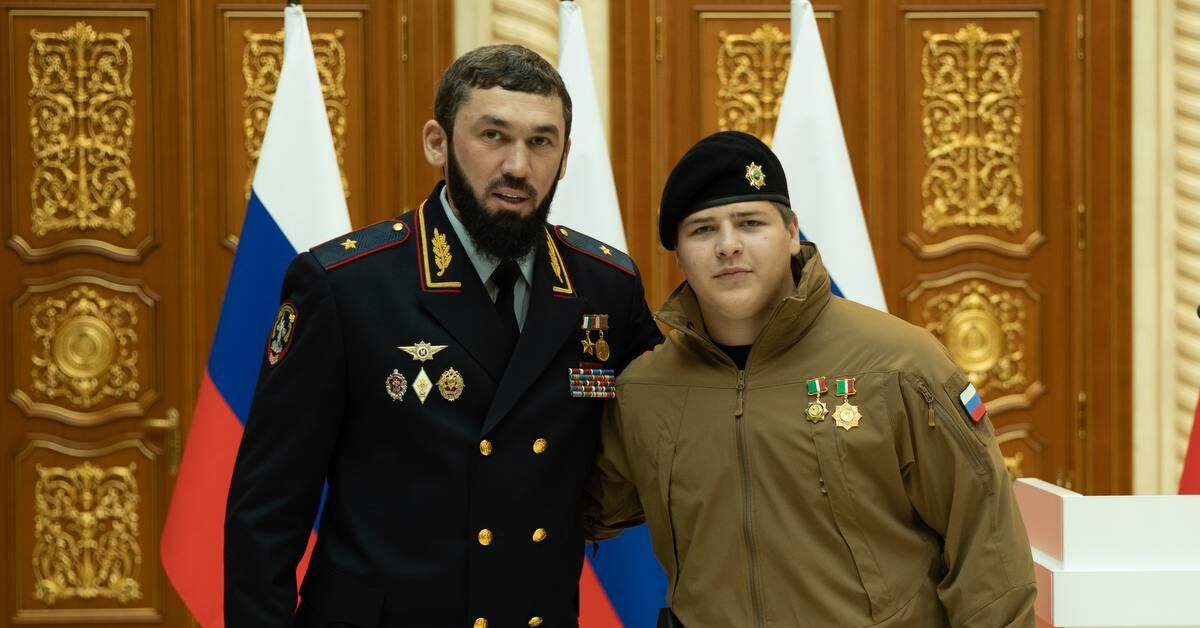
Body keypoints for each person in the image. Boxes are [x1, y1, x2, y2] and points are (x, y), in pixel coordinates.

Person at [225, 44, 661, 628]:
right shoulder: (345, 286)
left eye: (541, 141)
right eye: (493, 135)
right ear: (438, 143)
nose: (518, 165)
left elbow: (680, 416)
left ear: (563, 157)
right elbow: (265, 517)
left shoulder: (605, 286)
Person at [584, 131, 1036, 628]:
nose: (728, 246)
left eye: (750, 222)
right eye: (703, 230)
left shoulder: (901, 365)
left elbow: (986, 549)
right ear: (679, 255)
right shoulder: (645, 391)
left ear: (792, 233)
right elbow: (569, 507)